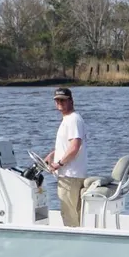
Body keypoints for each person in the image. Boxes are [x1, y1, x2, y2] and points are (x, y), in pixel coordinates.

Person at [44, 87, 88, 227]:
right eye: (57, 100)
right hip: (70, 175)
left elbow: (75, 146)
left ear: (71, 101)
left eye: (63, 100)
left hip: (70, 175)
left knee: (69, 215)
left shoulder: (73, 120)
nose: (59, 102)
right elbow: (66, 146)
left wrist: (59, 164)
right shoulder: (68, 119)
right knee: (72, 213)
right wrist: (52, 156)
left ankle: (75, 243)